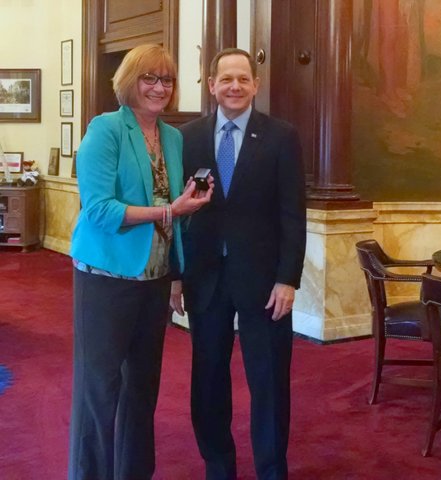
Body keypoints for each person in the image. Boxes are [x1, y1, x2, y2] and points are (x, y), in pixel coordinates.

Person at [68, 43, 213, 480]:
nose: (159, 87)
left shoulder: (172, 136)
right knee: (100, 389)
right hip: (106, 278)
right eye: (149, 78)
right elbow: (98, 210)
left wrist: (174, 276)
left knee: (142, 390)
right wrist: (170, 210)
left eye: (166, 79)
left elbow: (174, 212)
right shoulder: (105, 129)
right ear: (130, 82)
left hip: (153, 280)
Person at [170, 48, 307, 480]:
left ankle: (271, 469)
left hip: (265, 283)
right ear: (211, 85)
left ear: (255, 85)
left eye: (243, 79)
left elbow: (292, 213)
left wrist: (288, 278)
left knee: (268, 382)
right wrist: (175, 275)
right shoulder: (186, 137)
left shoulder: (282, 136)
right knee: (208, 379)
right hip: (204, 277)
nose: (234, 86)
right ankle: (218, 467)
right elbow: (176, 212)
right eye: (226, 78)